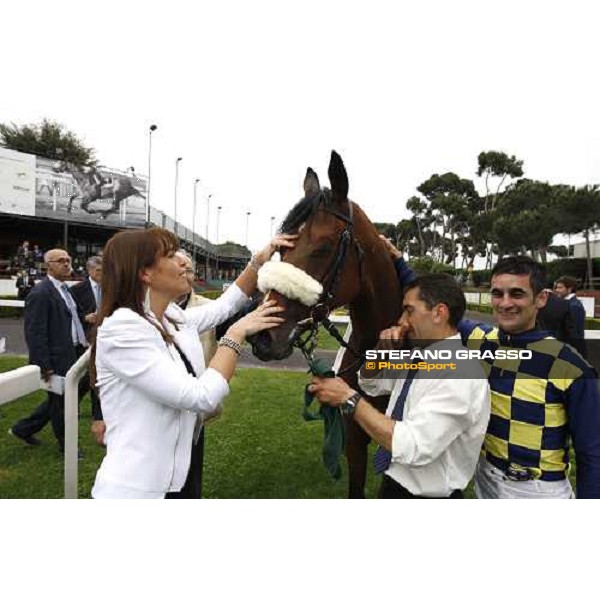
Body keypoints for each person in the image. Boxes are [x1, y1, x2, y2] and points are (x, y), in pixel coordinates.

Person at [91, 227, 296, 499]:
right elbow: (201, 397)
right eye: (170, 255)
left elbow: (225, 306)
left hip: (178, 475)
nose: (183, 261)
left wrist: (259, 261)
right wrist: (235, 335)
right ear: (145, 273)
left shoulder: (170, 316)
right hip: (138, 490)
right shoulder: (123, 328)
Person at [384, 246, 600, 498]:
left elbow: (592, 452)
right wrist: (399, 260)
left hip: (536, 492)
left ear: (540, 298)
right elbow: (429, 302)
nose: (505, 303)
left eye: (516, 294)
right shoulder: (479, 337)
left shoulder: (570, 364)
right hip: (484, 479)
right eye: (498, 294)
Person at [309, 274, 491, 499]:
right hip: (394, 482)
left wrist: (348, 399)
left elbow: (414, 446)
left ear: (439, 313)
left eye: (409, 310)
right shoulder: (419, 356)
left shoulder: (461, 374)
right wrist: (380, 351)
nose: (401, 320)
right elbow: (371, 382)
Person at [9, 248, 91, 453]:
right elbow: (35, 333)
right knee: (61, 405)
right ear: (48, 265)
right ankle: (68, 447)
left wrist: (86, 323)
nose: (66, 264)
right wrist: (43, 365)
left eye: (68, 260)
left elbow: (69, 320)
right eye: (60, 261)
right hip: (55, 358)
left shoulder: (65, 289)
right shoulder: (40, 293)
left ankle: (23, 428)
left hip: (73, 352)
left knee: (62, 399)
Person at [164, 249, 219, 499]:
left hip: (193, 412)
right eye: (179, 267)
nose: (185, 273)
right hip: (161, 414)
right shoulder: (138, 316)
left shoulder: (202, 310)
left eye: (188, 269)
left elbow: (233, 307)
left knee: (190, 476)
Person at [70, 256, 104, 444]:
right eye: (99, 271)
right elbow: (70, 314)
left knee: (94, 379)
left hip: (103, 339)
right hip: (84, 342)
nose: (102, 274)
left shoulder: (110, 288)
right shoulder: (76, 290)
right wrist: (85, 317)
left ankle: (97, 415)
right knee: (85, 380)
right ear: (90, 271)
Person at [554, 275, 587, 358]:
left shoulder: (574, 306)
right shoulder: (567, 304)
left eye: (560, 288)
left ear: (569, 289)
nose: (556, 290)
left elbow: (575, 334)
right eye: (556, 287)